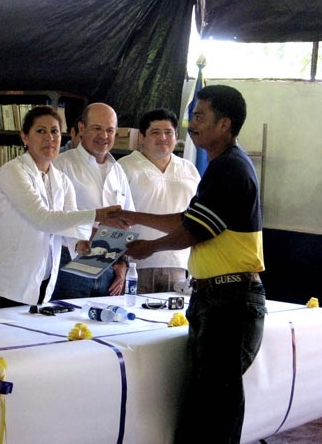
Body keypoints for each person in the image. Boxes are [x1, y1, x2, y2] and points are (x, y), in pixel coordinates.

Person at [112, 85, 266, 444]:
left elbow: (192, 232)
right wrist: (132, 216)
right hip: (216, 298)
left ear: (225, 124)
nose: (190, 125)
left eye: (199, 117)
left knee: (215, 408)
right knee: (204, 402)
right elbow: (188, 218)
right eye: (192, 116)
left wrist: (147, 247)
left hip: (231, 301)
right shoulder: (222, 165)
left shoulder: (228, 167)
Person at [0, 105, 123, 310]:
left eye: (54, 131)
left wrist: (81, 244)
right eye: (41, 131)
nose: (49, 137)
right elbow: (43, 219)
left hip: (40, 283)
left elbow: (70, 225)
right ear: (25, 137)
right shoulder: (13, 171)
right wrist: (98, 215)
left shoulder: (62, 180)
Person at [51, 102, 135, 300]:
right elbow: (51, 218)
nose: (104, 136)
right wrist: (91, 231)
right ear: (82, 128)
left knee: (102, 328)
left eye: (110, 130)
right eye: (97, 128)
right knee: (66, 328)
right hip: (69, 263)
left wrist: (122, 263)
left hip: (108, 264)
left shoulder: (118, 170)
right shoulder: (60, 165)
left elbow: (129, 221)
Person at [117, 108, 200, 293]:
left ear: (176, 136)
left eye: (168, 132)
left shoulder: (189, 169)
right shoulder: (124, 167)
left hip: (180, 265)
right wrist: (120, 261)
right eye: (155, 132)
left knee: (174, 321)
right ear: (142, 136)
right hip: (136, 266)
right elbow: (116, 218)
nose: (163, 137)